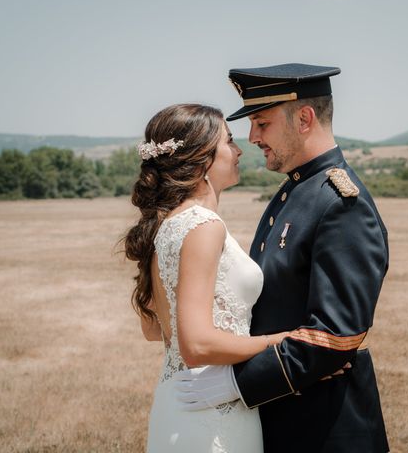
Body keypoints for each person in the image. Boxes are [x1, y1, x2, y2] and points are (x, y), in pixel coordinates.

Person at [176, 64, 391, 452]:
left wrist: (238, 383)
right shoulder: (296, 191)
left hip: (324, 428)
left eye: (262, 122)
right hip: (285, 417)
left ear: (304, 118)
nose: (252, 137)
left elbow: (335, 336)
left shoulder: (340, 204)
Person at [124, 104, 290, 452]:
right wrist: (283, 341)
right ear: (203, 159)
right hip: (211, 412)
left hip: (178, 402)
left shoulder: (167, 224)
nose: (240, 149)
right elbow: (196, 345)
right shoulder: (204, 226)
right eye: (229, 141)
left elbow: (155, 329)